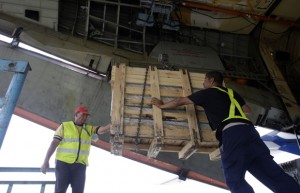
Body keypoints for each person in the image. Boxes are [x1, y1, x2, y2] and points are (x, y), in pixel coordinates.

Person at [151, 71, 300, 193]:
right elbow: (247, 110)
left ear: (210, 80)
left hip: (232, 134)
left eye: (204, 80)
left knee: (234, 179)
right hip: (250, 133)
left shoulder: (207, 93)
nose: (203, 83)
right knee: (271, 174)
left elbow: (180, 102)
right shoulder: (232, 93)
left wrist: (162, 105)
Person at [41, 106, 111, 193]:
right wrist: (46, 160)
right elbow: (54, 143)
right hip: (63, 164)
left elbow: (101, 130)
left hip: (80, 166)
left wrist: (111, 126)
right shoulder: (64, 126)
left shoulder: (88, 129)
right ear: (76, 114)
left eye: (86, 116)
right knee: (60, 190)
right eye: (82, 115)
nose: (84, 117)